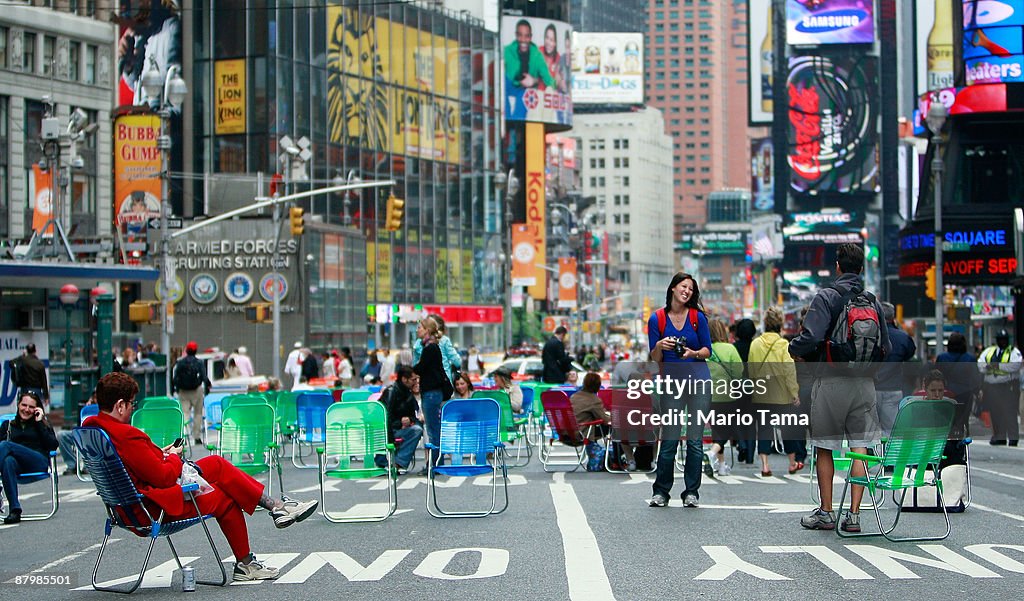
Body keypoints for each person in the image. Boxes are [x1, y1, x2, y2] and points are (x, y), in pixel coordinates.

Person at [84, 372, 318, 581]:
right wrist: (174, 457)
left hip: (125, 508)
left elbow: (140, 465)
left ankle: (276, 508)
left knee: (216, 464)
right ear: (121, 405)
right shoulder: (127, 436)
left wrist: (159, 455)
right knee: (225, 497)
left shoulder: (95, 430)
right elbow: (164, 477)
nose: (133, 409)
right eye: (132, 404)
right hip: (152, 509)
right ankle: (253, 551)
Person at [789, 242, 890, 533]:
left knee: (825, 447)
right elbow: (887, 345)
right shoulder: (872, 301)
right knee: (860, 448)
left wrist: (793, 347)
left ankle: (827, 512)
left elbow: (810, 338)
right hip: (865, 384)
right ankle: (855, 516)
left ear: (837, 266)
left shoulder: (827, 297)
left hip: (831, 382)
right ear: (861, 269)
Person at [647, 272, 713, 509]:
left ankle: (691, 492)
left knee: (695, 440)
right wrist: (659, 345)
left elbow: (708, 350)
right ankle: (661, 492)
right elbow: (655, 359)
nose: (687, 291)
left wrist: (692, 353)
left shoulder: (697, 318)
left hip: (698, 383)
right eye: (684, 287)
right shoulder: (657, 319)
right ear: (673, 288)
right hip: (672, 385)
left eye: (691, 289)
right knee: (670, 439)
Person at [747, 306, 803, 477]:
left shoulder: (755, 344)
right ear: (780, 324)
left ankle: (765, 465)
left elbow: (751, 370)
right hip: (781, 395)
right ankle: (792, 463)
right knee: (788, 429)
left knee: (764, 429)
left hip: (761, 393)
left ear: (765, 324)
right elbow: (789, 371)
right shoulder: (783, 344)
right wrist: (794, 392)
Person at [0, 391, 58, 523]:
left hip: (38, 461)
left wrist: (39, 423)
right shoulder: (8, 425)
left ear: (37, 409)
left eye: (31, 407)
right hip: (18, 466)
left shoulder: (42, 424)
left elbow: (53, 445)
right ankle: (15, 510)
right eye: (24, 405)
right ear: (18, 405)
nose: (26, 409)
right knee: (8, 461)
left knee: (5, 445)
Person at [413, 317, 453, 473]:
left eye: (420, 327)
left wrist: (411, 371)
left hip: (431, 393)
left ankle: (435, 464)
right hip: (433, 392)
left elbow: (420, 368)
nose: (417, 330)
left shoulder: (430, 348)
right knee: (434, 428)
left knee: (432, 430)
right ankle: (437, 462)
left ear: (427, 330)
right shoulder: (431, 347)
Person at [874, 302, 917, 435]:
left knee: (869, 431)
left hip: (871, 388)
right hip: (893, 388)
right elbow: (910, 353)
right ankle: (890, 455)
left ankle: (869, 455)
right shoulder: (903, 337)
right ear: (893, 318)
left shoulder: (870, 335)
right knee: (891, 431)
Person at [706, 318, 742, 477]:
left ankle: (721, 465)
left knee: (716, 430)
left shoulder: (704, 350)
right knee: (728, 429)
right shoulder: (730, 349)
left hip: (707, 396)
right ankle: (712, 453)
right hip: (727, 395)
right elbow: (738, 372)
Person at [977, 329, 1022, 446]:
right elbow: (980, 364)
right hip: (992, 387)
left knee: (1009, 412)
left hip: (1007, 387)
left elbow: (1015, 366)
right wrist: (989, 366)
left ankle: (1013, 437)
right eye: (1000, 339)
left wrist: (996, 365)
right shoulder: (990, 351)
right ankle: (999, 436)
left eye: (1004, 339)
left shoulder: (1013, 352)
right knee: (995, 413)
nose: (1002, 342)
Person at [375, 367, 422, 474]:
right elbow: (385, 418)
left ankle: (398, 463)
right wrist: (398, 425)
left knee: (417, 429)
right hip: (387, 431)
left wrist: (409, 420)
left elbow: (414, 418)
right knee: (416, 430)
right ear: (404, 379)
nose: (416, 382)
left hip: (398, 429)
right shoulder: (391, 392)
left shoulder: (409, 395)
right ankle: (389, 461)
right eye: (413, 379)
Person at [935, 332, 981, 440]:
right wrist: (977, 391)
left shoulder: (942, 358)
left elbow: (936, 376)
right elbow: (975, 378)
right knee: (962, 418)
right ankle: (961, 438)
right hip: (965, 394)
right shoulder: (970, 358)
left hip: (946, 394)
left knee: (946, 419)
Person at [172, 341, 211, 446]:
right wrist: (208, 387)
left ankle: (185, 435)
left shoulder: (180, 362)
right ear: (195, 351)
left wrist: (175, 389)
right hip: (196, 390)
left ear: (187, 350)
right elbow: (203, 377)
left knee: (185, 413)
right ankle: (196, 436)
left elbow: (175, 377)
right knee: (198, 414)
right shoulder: (199, 362)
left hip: (183, 391)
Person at [732, 318, 757, 463]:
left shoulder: (734, 347)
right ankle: (750, 456)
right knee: (752, 423)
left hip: (737, 386)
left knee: (737, 418)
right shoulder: (756, 346)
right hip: (755, 386)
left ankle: (741, 444)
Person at [504, 19, 555, 90]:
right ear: (516, 35)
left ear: (531, 37)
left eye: (526, 36)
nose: (523, 39)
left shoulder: (537, 56)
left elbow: (550, 81)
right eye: (520, 35)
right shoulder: (506, 51)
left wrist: (534, 81)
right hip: (507, 96)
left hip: (529, 98)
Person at [413, 314, 461, 384]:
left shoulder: (417, 344)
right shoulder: (444, 340)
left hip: (425, 383)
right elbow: (457, 362)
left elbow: (415, 366)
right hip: (444, 381)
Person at [58, 393, 97, 475]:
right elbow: (80, 425)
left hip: (97, 435)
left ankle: (89, 466)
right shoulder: (87, 407)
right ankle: (72, 465)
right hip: (83, 432)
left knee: (89, 435)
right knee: (61, 435)